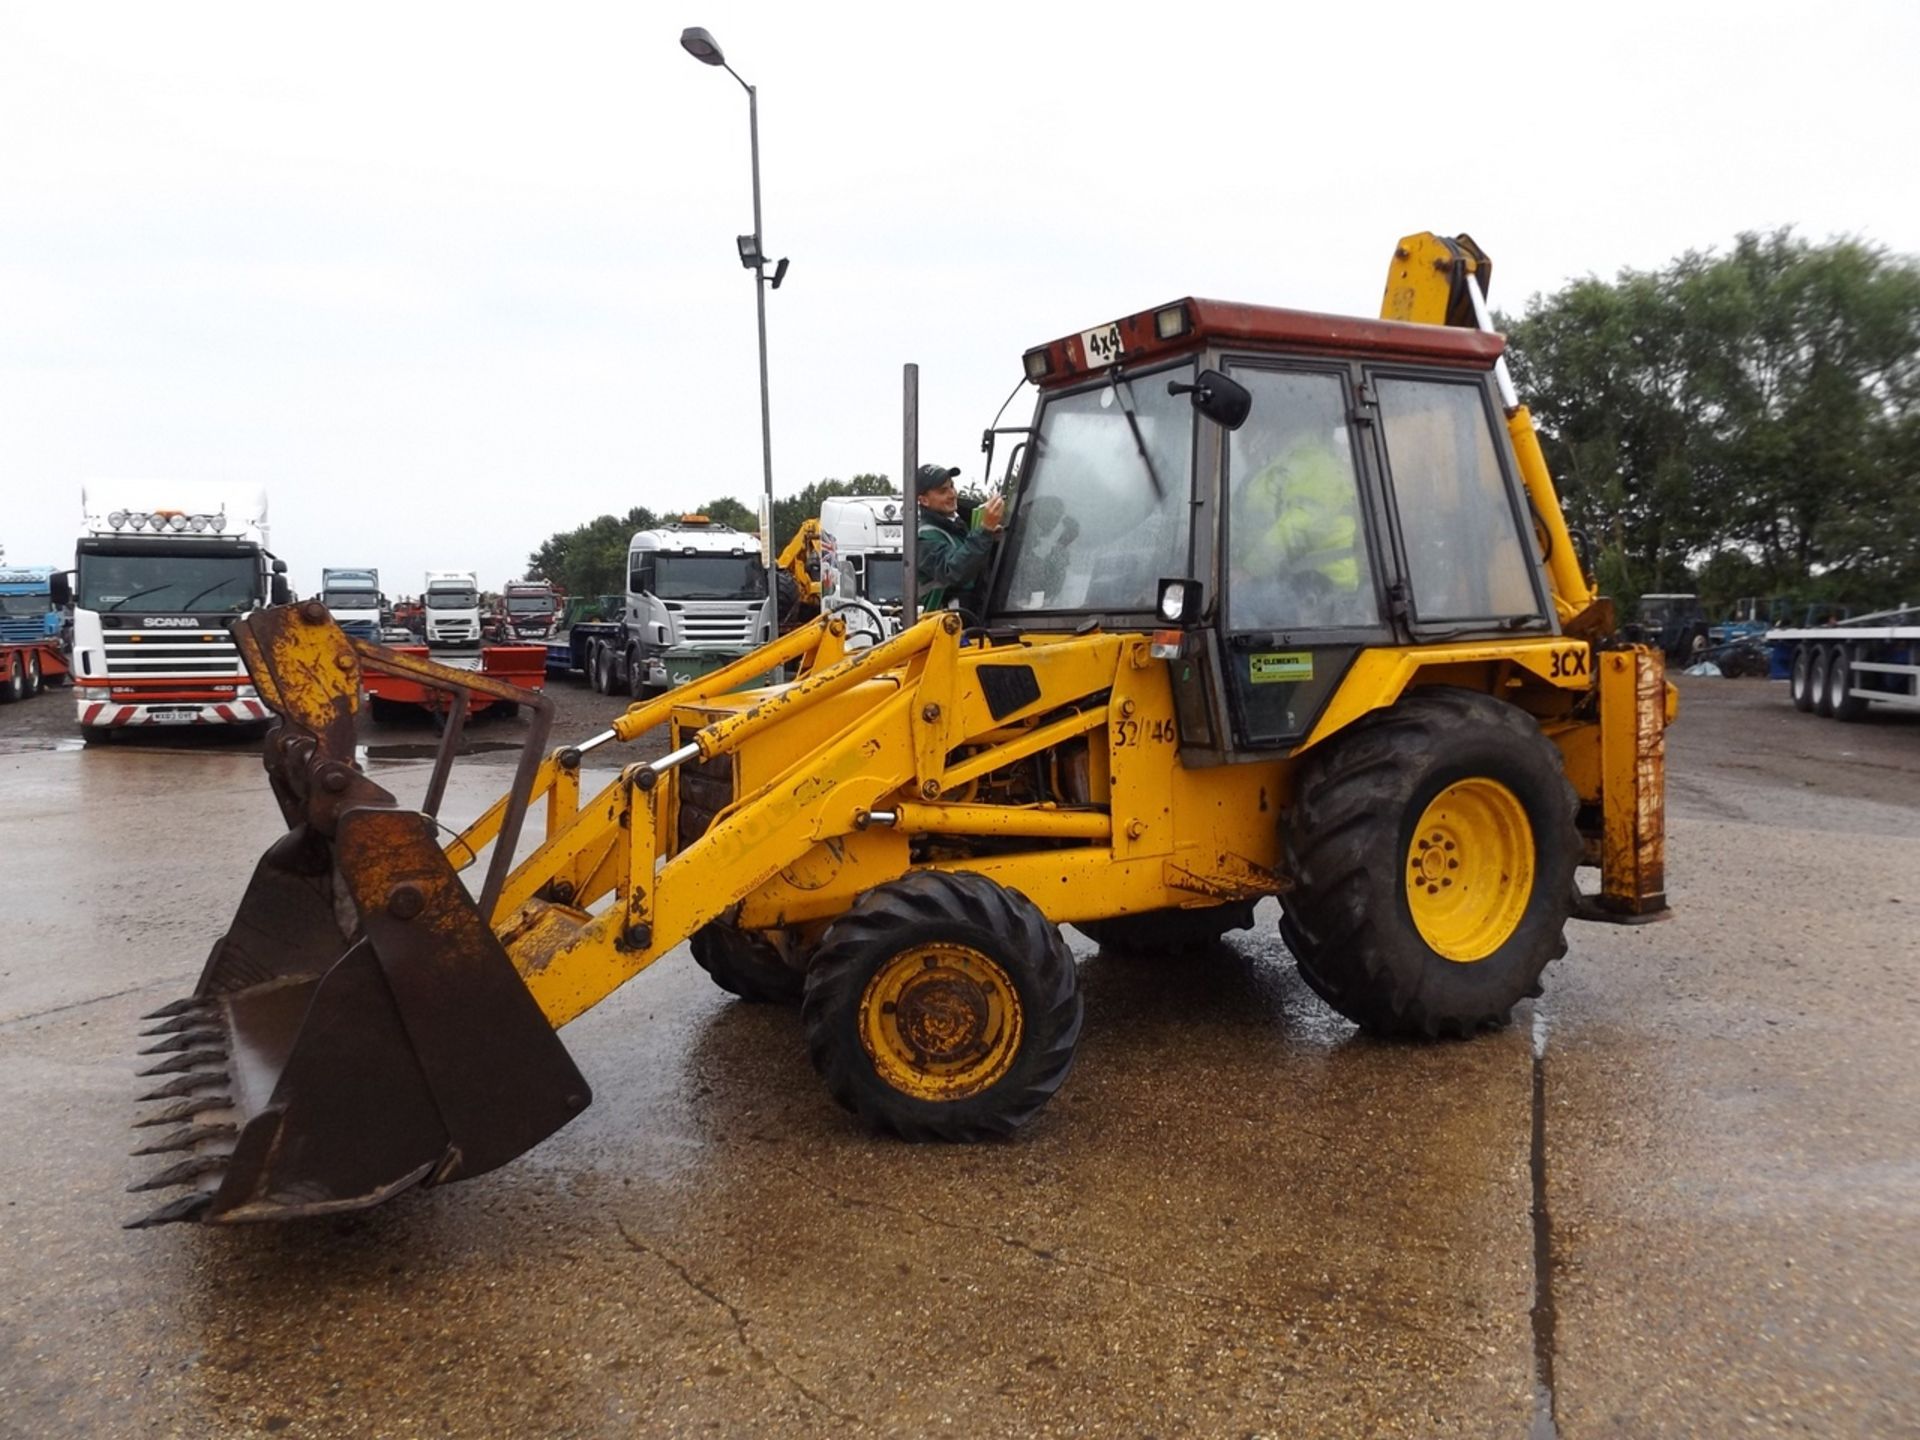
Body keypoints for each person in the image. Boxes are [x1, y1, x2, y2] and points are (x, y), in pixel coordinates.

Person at [915, 463, 1005, 615]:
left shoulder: (959, 528)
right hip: (949, 628)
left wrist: (992, 540)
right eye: (943, 491)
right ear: (924, 500)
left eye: (952, 486)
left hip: (974, 620)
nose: (952, 494)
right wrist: (984, 531)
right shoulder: (925, 538)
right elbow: (954, 571)